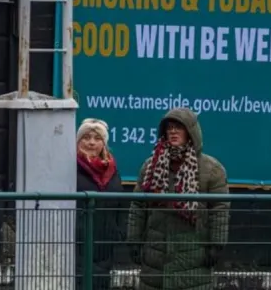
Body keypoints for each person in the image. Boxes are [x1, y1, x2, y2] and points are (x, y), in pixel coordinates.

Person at [128, 107, 230, 290]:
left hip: (194, 256)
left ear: (191, 132)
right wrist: (133, 240)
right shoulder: (151, 166)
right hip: (155, 257)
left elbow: (219, 209)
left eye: (179, 127)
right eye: (169, 128)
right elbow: (138, 206)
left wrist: (217, 244)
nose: (173, 131)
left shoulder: (212, 169)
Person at [75, 118, 124, 290]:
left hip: (105, 248)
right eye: (86, 137)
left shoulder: (112, 170)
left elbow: (120, 205)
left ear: (104, 143)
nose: (91, 142)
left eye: (97, 138)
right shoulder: (69, 167)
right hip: (76, 246)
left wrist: (118, 234)